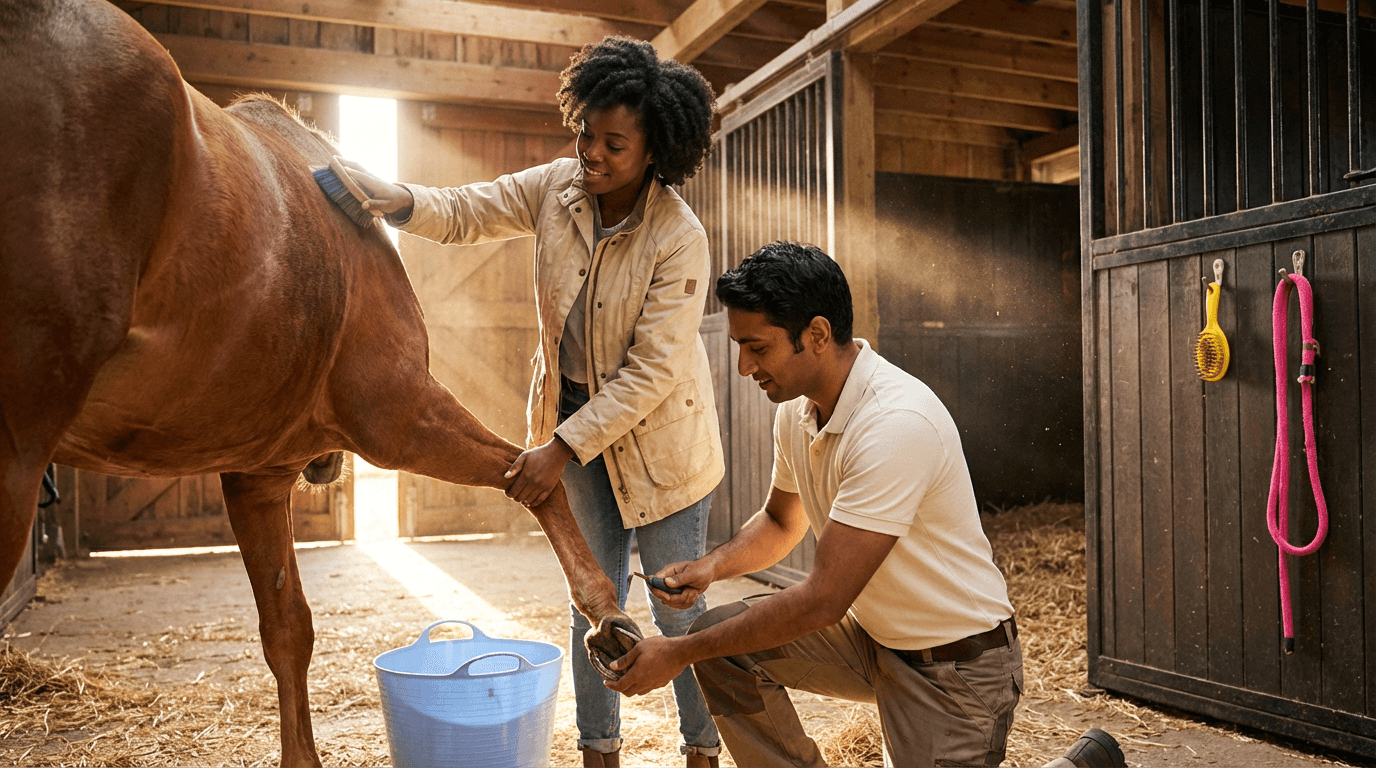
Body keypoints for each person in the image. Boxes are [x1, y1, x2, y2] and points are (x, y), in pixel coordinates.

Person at [341, 35, 725, 768]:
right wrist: (402, 200)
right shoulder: (557, 188)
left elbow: (651, 373)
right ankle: (598, 753)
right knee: (593, 603)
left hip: (663, 443)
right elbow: (469, 210)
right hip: (574, 424)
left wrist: (560, 446)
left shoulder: (680, 236)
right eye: (586, 131)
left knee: (684, 611)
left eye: (615, 143)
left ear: (655, 152)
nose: (593, 152)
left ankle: (702, 752)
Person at [604, 241, 1023, 766]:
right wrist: (711, 567)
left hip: (957, 667)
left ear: (817, 335)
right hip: (876, 643)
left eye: (757, 348)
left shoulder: (895, 423)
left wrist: (676, 653)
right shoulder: (800, 412)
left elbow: (823, 600)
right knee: (719, 642)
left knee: (700, 644)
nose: (742, 367)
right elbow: (782, 522)